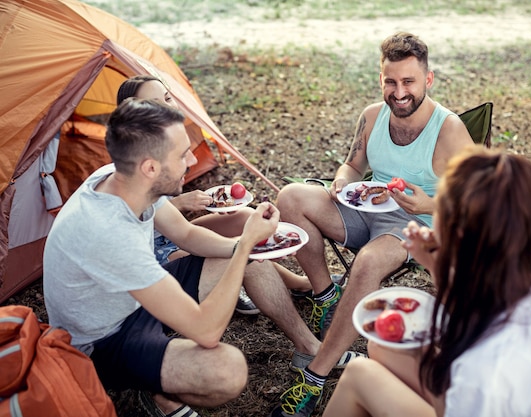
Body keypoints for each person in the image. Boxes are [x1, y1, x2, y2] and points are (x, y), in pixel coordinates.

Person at [42, 98, 357, 417]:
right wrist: (244, 247)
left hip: (133, 300)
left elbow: (187, 235)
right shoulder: (108, 235)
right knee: (227, 371)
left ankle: (307, 347)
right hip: (104, 342)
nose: (192, 159)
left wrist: (242, 245)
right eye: (182, 155)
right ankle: (157, 393)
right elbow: (206, 331)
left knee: (241, 252)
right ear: (150, 168)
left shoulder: (124, 177)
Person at [270, 32, 474, 416]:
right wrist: (344, 180)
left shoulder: (448, 131)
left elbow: (477, 199)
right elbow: (352, 164)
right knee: (291, 197)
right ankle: (327, 297)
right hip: (367, 207)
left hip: (415, 225)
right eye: (391, 82)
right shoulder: (372, 116)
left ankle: (314, 376)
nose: (399, 92)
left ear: (428, 80)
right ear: (381, 79)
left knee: (366, 262)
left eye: (409, 82)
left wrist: (428, 202)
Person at [321, 146, 531, 417]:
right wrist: (435, 264)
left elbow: (450, 406)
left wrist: (416, 347)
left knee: (360, 374)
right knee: (383, 345)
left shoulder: (482, 353)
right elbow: (468, 301)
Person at [117, 75, 319, 313]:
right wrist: (180, 204)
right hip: (153, 252)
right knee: (237, 251)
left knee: (244, 217)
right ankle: (236, 285)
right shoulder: (131, 164)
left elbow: (180, 228)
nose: (168, 106)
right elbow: (131, 228)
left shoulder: (166, 144)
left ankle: (297, 284)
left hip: (173, 232)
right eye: (155, 103)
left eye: (169, 98)